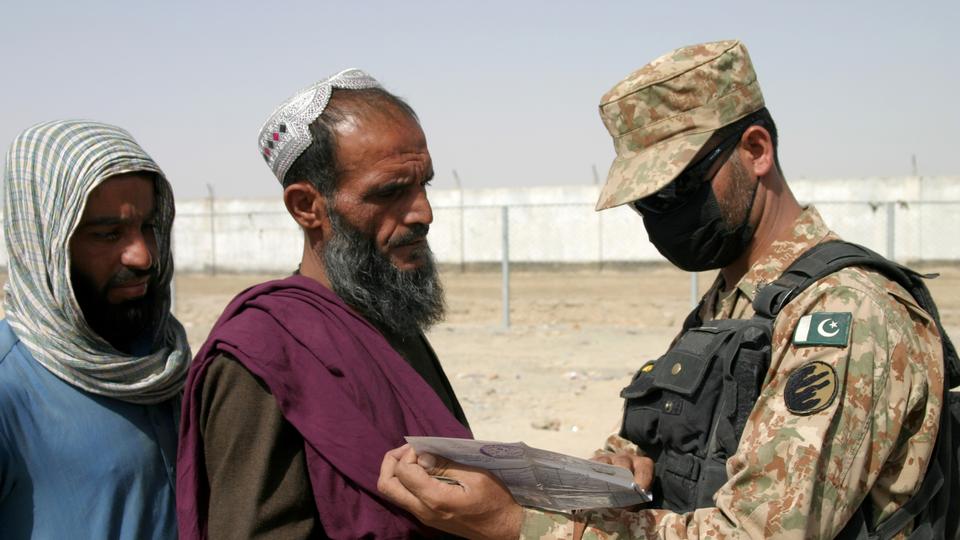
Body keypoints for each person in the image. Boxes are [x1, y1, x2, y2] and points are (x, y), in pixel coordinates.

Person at [378, 40, 946, 539]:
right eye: (646, 202)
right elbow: (677, 433)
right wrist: (618, 461)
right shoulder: (735, 301)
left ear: (756, 151)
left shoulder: (844, 313)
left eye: (678, 190)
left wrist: (515, 524)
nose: (663, 216)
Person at [176, 68, 471, 539]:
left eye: (424, 186)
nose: (423, 214)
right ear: (306, 206)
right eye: (390, 192)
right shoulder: (262, 353)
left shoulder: (387, 319)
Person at [0, 120, 191, 539]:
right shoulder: (9, 389)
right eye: (108, 234)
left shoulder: (165, 363)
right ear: (44, 242)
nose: (143, 256)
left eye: (147, 227)